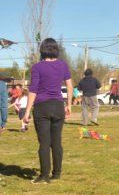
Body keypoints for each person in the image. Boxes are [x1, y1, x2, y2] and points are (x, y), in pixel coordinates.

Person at [23, 38, 73, 184]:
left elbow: (33, 90)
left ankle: (44, 176)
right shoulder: (63, 65)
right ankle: (56, 174)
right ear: (56, 49)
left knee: (44, 143)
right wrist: (69, 104)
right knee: (56, 142)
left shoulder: (37, 67)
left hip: (42, 107)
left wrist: (26, 112)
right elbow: (70, 86)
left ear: (42, 49)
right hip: (58, 106)